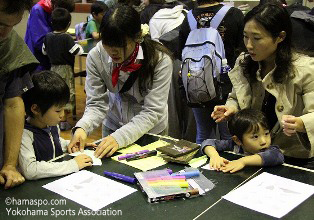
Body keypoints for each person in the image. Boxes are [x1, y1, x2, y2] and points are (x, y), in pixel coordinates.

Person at [211, 3, 314, 168]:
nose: (249, 45)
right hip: (255, 155)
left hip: (294, 158)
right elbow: (235, 97)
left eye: (257, 38)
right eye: (245, 36)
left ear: (280, 36)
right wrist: (231, 107)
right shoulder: (245, 62)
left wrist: (301, 123)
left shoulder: (306, 69)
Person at [68, 4, 173, 158]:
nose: (112, 51)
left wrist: (120, 138)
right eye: (107, 44)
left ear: (137, 37)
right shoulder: (96, 57)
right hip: (113, 126)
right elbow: (96, 103)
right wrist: (82, 128)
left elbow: (152, 111)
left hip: (150, 132)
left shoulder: (160, 60)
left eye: (120, 45)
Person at [178, 0, 244, 144]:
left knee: (203, 133)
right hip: (227, 85)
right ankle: (228, 165)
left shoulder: (188, 18)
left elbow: (180, 52)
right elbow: (243, 49)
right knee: (229, 134)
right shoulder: (234, 14)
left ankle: (203, 164)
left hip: (196, 82)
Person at [19, 71, 93, 180]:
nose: (62, 115)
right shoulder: (24, 134)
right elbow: (30, 170)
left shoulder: (51, 125)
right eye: (58, 110)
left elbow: (54, 142)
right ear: (36, 109)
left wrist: (71, 145)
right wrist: (73, 165)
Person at [0, 0, 39, 189]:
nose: (5, 33)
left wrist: (9, 165)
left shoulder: (10, 46)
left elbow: (13, 104)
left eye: (12, 26)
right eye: (0, 24)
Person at [202, 109, 284, 173]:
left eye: (266, 134)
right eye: (255, 136)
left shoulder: (270, 150)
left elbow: (276, 156)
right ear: (237, 140)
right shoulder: (234, 145)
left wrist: (242, 161)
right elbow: (208, 142)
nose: (263, 141)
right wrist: (214, 156)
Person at [42, 8, 84, 131]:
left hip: (53, 68)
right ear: (68, 24)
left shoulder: (47, 36)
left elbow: (44, 51)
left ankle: (54, 121)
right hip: (65, 69)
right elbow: (78, 51)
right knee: (66, 93)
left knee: (55, 93)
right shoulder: (66, 38)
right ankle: (64, 121)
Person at [25, 0, 75, 72]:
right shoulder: (38, 10)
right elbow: (39, 41)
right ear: (56, 6)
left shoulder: (52, 11)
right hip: (37, 60)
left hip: (50, 60)